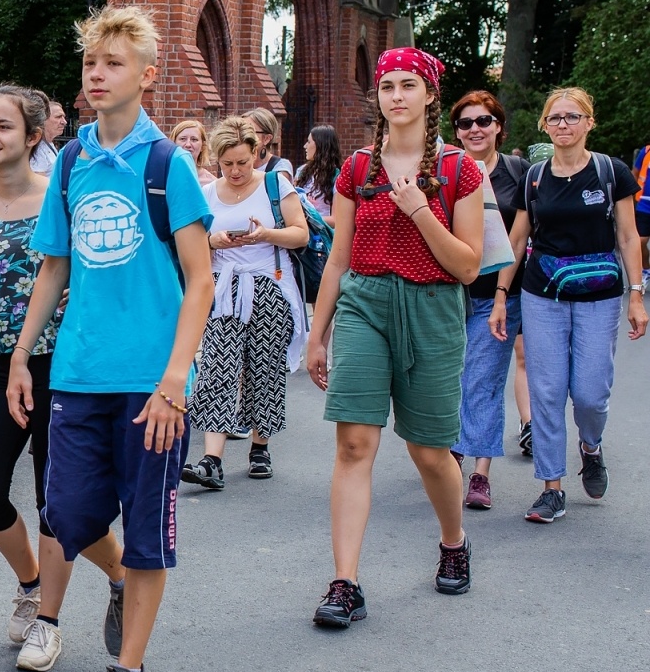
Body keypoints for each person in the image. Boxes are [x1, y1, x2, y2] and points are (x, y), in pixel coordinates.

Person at [9, 5, 213, 672]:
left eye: (114, 63)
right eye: (92, 62)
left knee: (149, 530)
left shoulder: (167, 164)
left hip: (150, 381)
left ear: (148, 77)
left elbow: (200, 278)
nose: (98, 73)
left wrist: (175, 380)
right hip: (79, 371)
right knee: (65, 515)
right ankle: (120, 578)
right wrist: (25, 356)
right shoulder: (70, 160)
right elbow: (54, 266)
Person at [0, 84, 123, 672]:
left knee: (58, 501)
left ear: (34, 134)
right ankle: (37, 580)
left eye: (2, 126)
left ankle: (47, 620)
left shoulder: (61, 199)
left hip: (64, 368)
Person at [306, 48, 484, 630]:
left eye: (409, 85)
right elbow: (337, 259)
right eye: (387, 86)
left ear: (431, 95)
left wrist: (419, 210)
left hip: (433, 308)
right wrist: (317, 334)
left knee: (429, 451)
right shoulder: (357, 168)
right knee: (354, 444)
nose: (397, 96)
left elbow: (467, 268)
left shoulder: (460, 171)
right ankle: (345, 582)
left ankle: (453, 539)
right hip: (365, 303)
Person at [491, 87, 646, 524]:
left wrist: (636, 294)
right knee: (546, 391)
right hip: (543, 296)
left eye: (572, 117)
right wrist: (503, 295)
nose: (563, 124)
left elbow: (629, 236)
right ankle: (551, 486)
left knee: (591, 394)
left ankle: (591, 447)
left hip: (599, 297)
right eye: (555, 118)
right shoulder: (534, 177)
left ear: (589, 123)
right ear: (544, 125)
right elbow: (517, 241)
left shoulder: (610, 172)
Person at [182, 116, 308, 488]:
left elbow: (300, 234)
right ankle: (211, 459)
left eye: (242, 161)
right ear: (216, 159)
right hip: (222, 289)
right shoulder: (206, 193)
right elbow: (190, 242)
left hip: (269, 286)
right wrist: (212, 241)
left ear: (255, 152)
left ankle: (259, 448)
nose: (236, 171)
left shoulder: (275, 184)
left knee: (263, 368)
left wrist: (267, 233)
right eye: (227, 163)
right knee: (218, 368)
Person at [449, 92, 528, 510]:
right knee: (449, 380)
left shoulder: (520, 174)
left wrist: (501, 296)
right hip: (446, 295)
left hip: (497, 298)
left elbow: (522, 239)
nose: (474, 129)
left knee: (483, 380)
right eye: (465, 123)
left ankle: (480, 474)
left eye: (483, 121)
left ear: (498, 125)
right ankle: (451, 451)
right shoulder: (445, 169)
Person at [295, 124, 342, 218]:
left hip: (322, 231)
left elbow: (335, 220)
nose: (305, 146)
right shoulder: (301, 171)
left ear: (321, 145)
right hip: (302, 230)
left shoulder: (337, 176)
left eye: (308, 142)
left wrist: (308, 219)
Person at [247, 107, 294, 181]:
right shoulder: (234, 163)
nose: (243, 136)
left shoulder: (280, 166)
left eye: (250, 132)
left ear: (266, 139)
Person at [169, 118, 216, 187]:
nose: (188, 144)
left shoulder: (211, 184)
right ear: (173, 143)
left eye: (194, 139)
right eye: (183, 139)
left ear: (202, 146)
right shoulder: (163, 176)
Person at [29, 99, 69, 175]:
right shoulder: (37, 148)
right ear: (43, 119)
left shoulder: (48, 143)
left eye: (63, 117)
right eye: (58, 117)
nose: (64, 122)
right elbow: (40, 185)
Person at [632, 139, 650, 273]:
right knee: (640, 241)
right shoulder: (646, 151)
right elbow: (635, 173)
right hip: (644, 203)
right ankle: (646, 269)